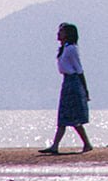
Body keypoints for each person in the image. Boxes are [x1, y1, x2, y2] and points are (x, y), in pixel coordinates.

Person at [38, 22, 92, 154]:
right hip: (67, 81)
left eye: (61, 31)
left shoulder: (71, 49)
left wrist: (85, 90)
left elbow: (79, 69)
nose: (58, 34)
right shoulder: (65, 48)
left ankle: (58, 145)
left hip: (73, 82)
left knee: (70, 116)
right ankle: (58, 145)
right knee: (66, 116)